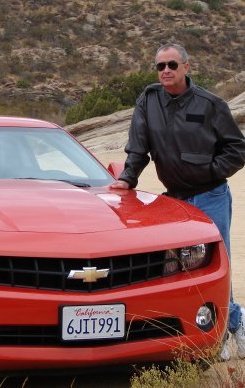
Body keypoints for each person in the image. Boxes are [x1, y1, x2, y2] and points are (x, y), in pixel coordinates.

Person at [110, 43, 245, 361]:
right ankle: (227, 324)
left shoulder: (211, 104)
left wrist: (210, 171)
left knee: (214, 266)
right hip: (175, 201)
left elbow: (237, 149)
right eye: (160, 66)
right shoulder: (149, 99)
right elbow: (138, 145)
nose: (166, 70)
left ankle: (225, 332)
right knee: (180, 268)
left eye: (172, 64)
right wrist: (128, 178)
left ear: (187, 66)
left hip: (210, 196)